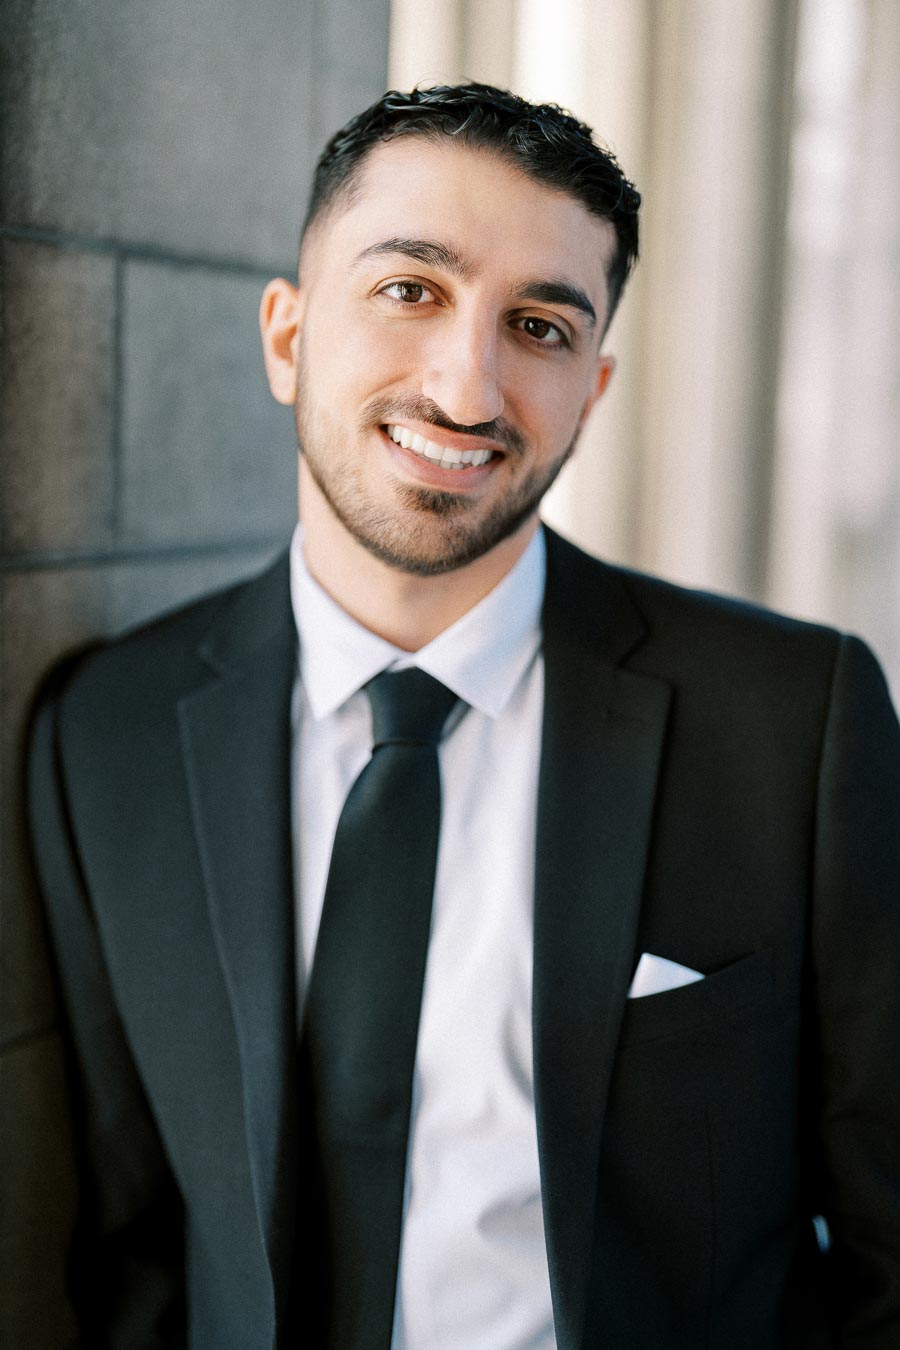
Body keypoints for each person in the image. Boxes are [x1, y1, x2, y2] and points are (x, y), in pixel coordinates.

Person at [27, 82, 900, 1350]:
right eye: (410, 289)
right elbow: (121, 1243)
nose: (467, 386)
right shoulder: (103, 734)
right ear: (287, 337)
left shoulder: (794, 724)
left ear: (592, 392)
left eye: (539, 326)